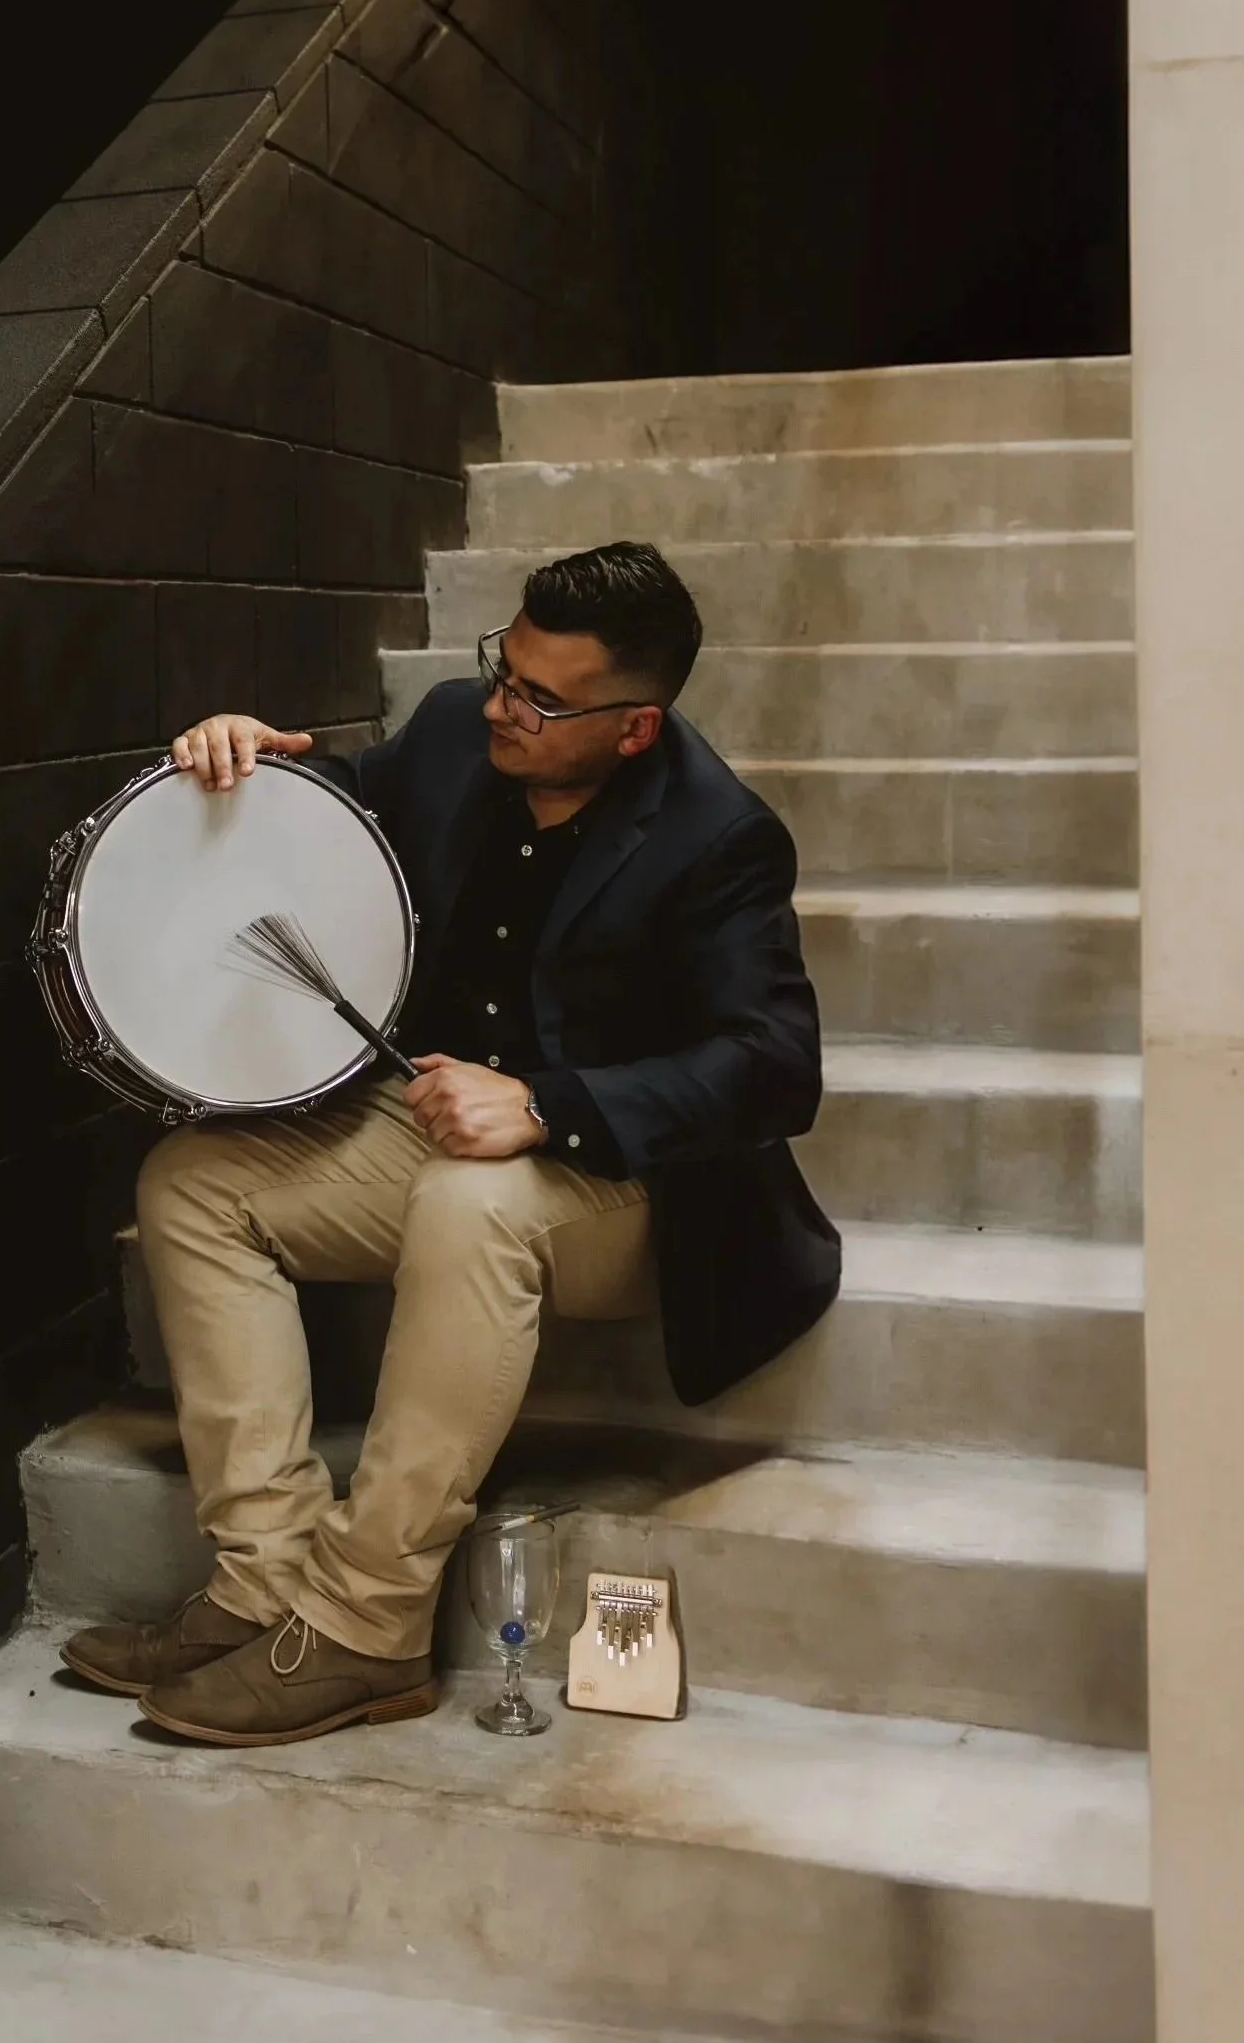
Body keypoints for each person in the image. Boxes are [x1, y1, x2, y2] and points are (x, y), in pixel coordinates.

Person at [63, 540, 839, 1745]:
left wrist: (547, 1105)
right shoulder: (447, 736)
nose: (500, 705)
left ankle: (368, 1627)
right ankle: (265, 1576)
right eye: (503, 667)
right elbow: (333, 823)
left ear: (634, 729)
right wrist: (245, 765)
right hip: (434, 1131)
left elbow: (775, 1067)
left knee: (470, 1209)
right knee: (197, 1181)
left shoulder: (718, 836)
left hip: (628, 1187)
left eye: (541, 696)